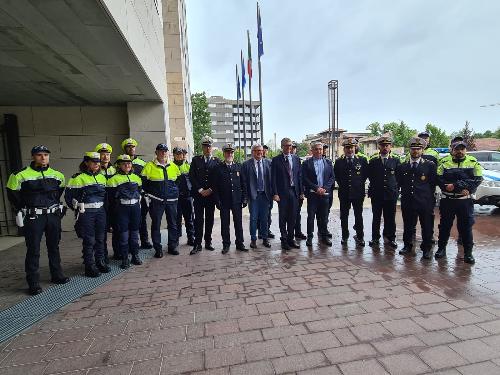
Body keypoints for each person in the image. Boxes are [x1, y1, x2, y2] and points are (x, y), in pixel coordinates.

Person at [6, 145, 69, 295]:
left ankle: (57, 275)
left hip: (52, 215)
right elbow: (13, 194)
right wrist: (25, 207)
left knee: (54, 246)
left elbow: (59, 192)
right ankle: (33, 282)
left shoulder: (57, 175)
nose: (43, 158)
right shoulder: (19, 175)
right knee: (33, 249)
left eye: (46, 155)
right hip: (34, 216)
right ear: (33, 156)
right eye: (39, 155)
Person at [435, 140, 482, 264]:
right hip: (448, 200)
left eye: (462, 149)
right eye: (457, 149)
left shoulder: (473, 162)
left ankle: (468, 253)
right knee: (444, 226)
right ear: (452, 150)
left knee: (466, 228)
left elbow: (477, 180)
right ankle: (441, 249)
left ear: (465, 150)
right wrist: (446, 187)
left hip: (464, 202)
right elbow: (439, 179)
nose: (459, 151)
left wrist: (459, 186)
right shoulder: (444, 162)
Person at [65, 152, 110, 277]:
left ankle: (100, 262)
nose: (96, 164)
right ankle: (89, 266)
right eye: (93, 161)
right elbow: (69, 197)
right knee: (89, 240)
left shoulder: (102, 177)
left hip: (100, 211)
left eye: (98, 162)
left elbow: (105, 197)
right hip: (86, 212)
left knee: (101, 238)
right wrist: (77, 208)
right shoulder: (77, 178)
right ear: (86, 162)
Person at [396, 137, 437, 259]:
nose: (415, 151)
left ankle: (427, 249)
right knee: (408, 225)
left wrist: (428, 198)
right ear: (410, 150)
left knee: (427, 226)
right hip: (408, 201)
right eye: (413, 149)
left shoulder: (429, 165)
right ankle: (407, 246)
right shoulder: (403, 166)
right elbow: (399, 182)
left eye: (418, 149)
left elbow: (433, 183)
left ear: (422, 150)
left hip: (424, 201)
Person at [141, 144, 181, 257]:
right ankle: (157, 248)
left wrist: (174, 192)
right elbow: (143, 183)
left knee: (173, 224)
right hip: (156, 201)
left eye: (165, 151)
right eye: (161, 151)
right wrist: (148, 195)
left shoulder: (173, 166)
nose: (163, 153)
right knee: (156, 224)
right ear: (156, 152)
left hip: (172, 200)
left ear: (168, 152)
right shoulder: (149, 166)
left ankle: (172, 246)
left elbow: (178, 181)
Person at [106, 154, 143, 269]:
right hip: (122, 209)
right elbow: (111, 199)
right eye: (124, 163)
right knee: (123, 235)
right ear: (118, 165)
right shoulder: (113, 180)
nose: (127, 165)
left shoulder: (137, 178)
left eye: (129, 163)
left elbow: (140, 191)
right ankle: (124, 258)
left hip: (135, 208)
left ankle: (135, 255)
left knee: (134, 234)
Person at [211, 143, 248, 254]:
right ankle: (226, 245)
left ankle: (240, 243)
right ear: (224, 153)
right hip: (224, 201)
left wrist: (245, 198)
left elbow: (243, 184)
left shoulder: (238, 166)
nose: (229, 154)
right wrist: (217, 200)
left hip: (237, 200)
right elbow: (215, 186)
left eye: (231, 152)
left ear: (233, 153)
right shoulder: (218, 168)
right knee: (225, 224)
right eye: (227, 152)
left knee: (238, 223)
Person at [189, 136, 220, 255]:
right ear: (202, 147)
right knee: (198, 220)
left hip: (211, 196)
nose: (207, 148)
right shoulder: (196, 160)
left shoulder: (217, 161)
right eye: (205, 146)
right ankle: (197, 244)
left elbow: (218, 178)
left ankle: (208, 242)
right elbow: (192, 176)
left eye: (209, 146)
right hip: (199, 195)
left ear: (212, 148)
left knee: (210, 219)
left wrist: (211, 189)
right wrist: (201, 189)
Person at [367, 136, 401, 248]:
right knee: (376, 217)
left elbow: (399, 178)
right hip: (377, 194)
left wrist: (395, 190)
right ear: (379, 147)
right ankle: (375, 238)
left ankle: (390, 238)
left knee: (390, 218)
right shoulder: (373, 161)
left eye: (387, 145)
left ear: (391, 146)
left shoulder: (396, 161)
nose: (385, 148)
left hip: (391, 194)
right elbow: (370, 176)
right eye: (382, 145)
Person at [334, 138, 368, 247]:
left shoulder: (362, 160)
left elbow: (364, 176)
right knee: (344, 216)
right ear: (344, 149)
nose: (349, 150)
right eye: (347, 148)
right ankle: (345, 236)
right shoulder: (339, 161)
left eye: (351, 148)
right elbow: (337, 177)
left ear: (355, 148)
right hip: (344, 193)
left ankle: (360, 236)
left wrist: (357, 185)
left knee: (358, 215)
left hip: (358, 193)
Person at [271, 137, 303, 251]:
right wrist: (275, 193)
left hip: (294, 192)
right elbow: (273, 178)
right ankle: (284, 239)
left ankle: (291, 238)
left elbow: (299, 176)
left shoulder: (296, 159)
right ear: (282, 147)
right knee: (283, 217)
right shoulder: (276, 160)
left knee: (293, 217)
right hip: (282, 193)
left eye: (290, 145)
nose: (288, 147)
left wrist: (301, 192)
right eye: (286, 145)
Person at [302, 141, 335, 247]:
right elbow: (304, 178)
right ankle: (310, 237)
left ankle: (324, 236)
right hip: (313, 194)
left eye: (320, 149)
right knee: (311, 217)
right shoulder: (307, 163)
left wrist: (324, 188)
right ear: (312, 151)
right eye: (316, 149)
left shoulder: (328, 162)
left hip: (324, 195)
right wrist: (316, 188)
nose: (318, 151)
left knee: (324, 217)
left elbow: (332, 178)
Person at [121, 138, 152, 249]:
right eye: (129, 147)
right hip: (127, 197)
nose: (131, 148)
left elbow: (147, 179)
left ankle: (144, 241)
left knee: (142, 219)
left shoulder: (142, 163)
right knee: (129, 221)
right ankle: (131, 244)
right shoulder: (120, 162)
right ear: (125, 149)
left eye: (133, 146)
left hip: (140, 196)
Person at [241, 143, 272, 249]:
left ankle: (265, 238)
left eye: (261, 150)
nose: (259, 152)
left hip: (265, 195)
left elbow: (271, 180)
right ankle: (253, 239)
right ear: (252, 152)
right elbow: (244, 182)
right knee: (253, 218)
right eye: (257, 151)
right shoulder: (246, 164)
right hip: (253, 196)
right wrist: (245, 197)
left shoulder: (268, 163)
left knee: (265, 218)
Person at [95, 143, 117, 263]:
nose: (105, 157)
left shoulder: (115, 169)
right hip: (101, 206)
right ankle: (102, 256)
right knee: (101, 233)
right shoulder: (94, 170)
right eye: (102, 154)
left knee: (117, 230)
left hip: (114, 205)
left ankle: (118, 253)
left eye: (107, 154)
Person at [173, 147, 195, 246]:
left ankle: (191, 238)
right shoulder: (170, 167)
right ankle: (176, 239)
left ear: (183, 155)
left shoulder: (188, 166)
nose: (179, 156)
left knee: (189, 218)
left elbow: (193, 181)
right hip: (175, 198)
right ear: (174, 155)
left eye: (180, 154)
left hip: (187, 196)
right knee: (176, 219)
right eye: (177, 154)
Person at [259, 145, 275, 239]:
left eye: (265, 151)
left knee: (268, 213)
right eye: (262, 150)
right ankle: (260, 231)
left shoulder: (270, 162)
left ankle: (267, 229)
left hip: (268, 192)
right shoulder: (255, 162)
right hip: (259, 192)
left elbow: (273, 178)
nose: (264, 152)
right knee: (258, 214)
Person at [291, 142, 307, 240]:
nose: (292, 149)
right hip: (288, 192)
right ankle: (290, 233)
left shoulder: (297, 160)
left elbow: (301, 177)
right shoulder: (282, 159)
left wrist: (302, 192)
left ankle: (298, 232)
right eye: (290, 147)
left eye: (294, 148)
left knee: (297, 213)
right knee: (289, 214)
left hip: (298, 192)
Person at [323, 143, 334, 238]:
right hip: (316, 192)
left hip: (328, 192)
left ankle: (324, 228)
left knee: (327, 211)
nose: (324, 150)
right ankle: (321, 229)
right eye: (323, 149)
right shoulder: (311, 161)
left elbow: (332, 176)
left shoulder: (329, 162)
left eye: (325, 149)